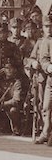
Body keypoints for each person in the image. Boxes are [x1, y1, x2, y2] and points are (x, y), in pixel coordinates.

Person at [36, 15, 52, 145]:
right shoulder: (46, 42)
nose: (49, 29)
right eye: (47, 26)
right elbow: (43, 59)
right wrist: (48, 67)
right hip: (50, 81)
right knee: (46, 107)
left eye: (51, 26)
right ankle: (45, 132)